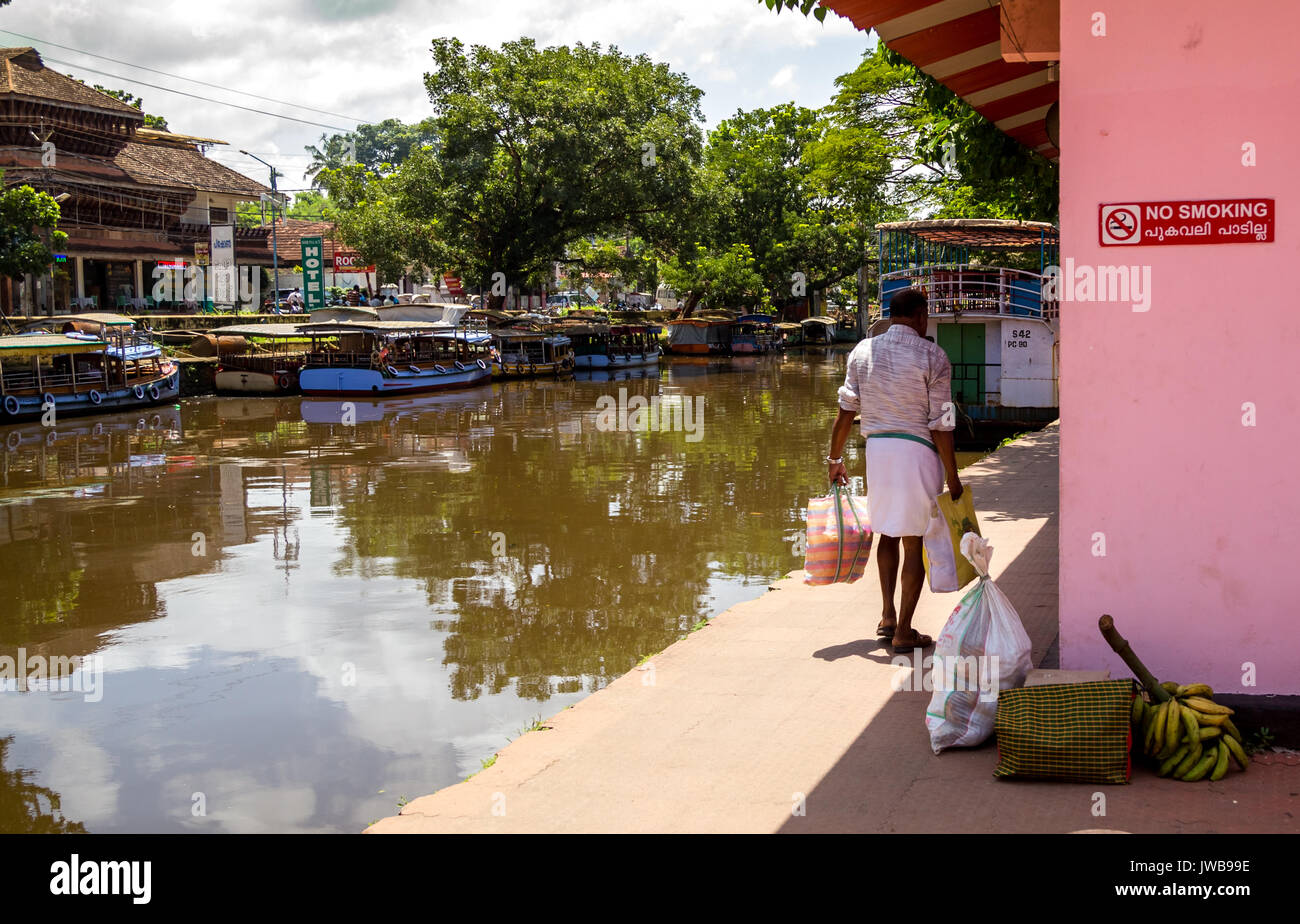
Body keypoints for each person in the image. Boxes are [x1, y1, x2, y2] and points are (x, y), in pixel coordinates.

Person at [826, 287, 962, 653]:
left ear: (891, 314)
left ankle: (887, 616)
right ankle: (903, 630)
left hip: (878, 451)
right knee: (913, 540)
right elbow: (941, 423)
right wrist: (953, 474)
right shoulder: (933, 355)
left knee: (887, 533)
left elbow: (845, 412)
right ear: (920, 316)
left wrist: (835, 460)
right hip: (916, 452)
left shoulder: (862, 351)